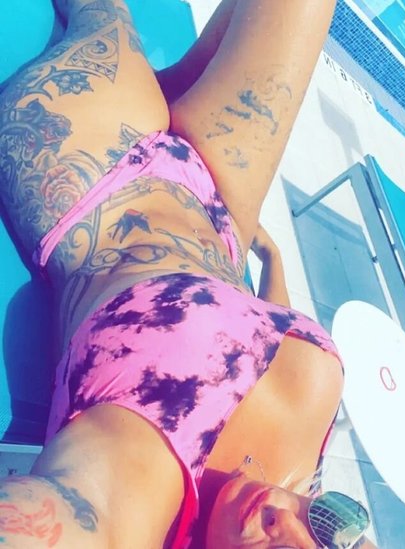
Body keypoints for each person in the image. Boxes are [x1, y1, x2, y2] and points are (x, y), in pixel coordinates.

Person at [0, 1, 376, 547]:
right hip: (220, 212)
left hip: (93, 174)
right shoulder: (300, 477)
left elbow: (76, 524)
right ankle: (170, 83)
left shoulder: (140, 496)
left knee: (105, 11)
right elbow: (269, 338)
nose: (285, 519)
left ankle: (154, 78)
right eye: (331, 529)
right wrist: (273, 263)